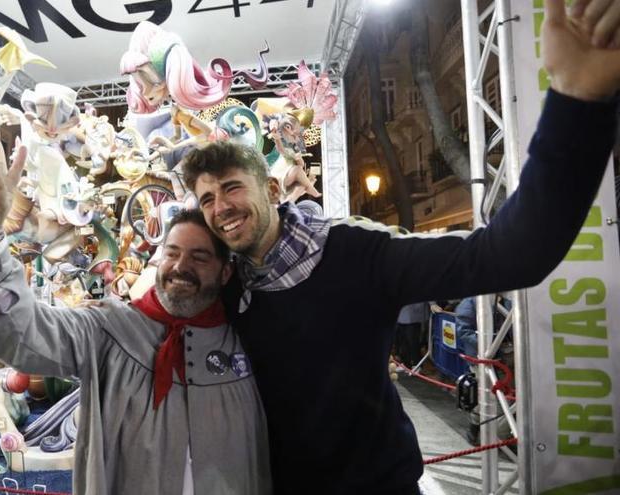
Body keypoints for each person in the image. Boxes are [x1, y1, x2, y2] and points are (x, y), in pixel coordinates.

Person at [180, 2, 620, 491]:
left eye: (232, 187)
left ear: (274, 189)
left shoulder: (356, 252)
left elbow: (514, 252)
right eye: (207, 199)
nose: (220, 207)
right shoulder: (226, 284)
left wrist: (577, 103)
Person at [0, 146, 271, 494]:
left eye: (199, 257)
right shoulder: (109, 329)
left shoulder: (246, 338)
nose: (181, 267)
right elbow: (20, 334)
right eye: (172, 253)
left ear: (225, 273)